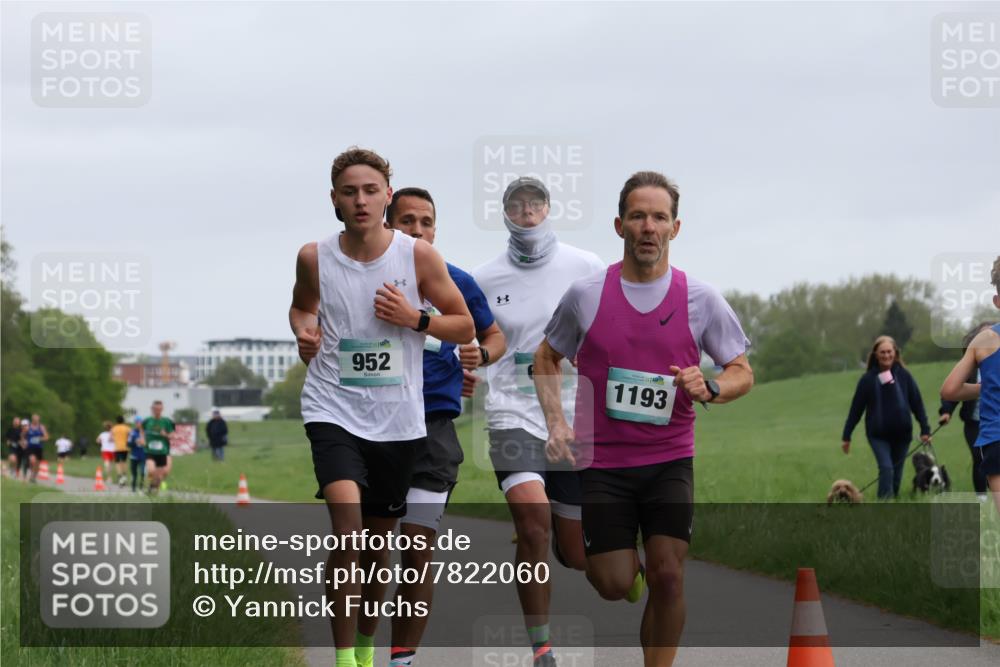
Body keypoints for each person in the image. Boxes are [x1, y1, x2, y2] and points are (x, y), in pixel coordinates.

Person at [536, 171, 753, 667]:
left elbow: (742, 371)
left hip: (669, 460)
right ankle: (611, 565)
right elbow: (546, 357)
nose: (648, 227)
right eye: (638, 216)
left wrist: (712, 386)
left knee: (669, 574)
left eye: (659, 217)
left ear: (676, 228)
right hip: (604, 466)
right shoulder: (586, 295)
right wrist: (556, 422)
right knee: (613, 582)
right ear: (619, 226)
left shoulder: (701, 299)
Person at [290, 148, 473, 667]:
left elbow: (462, 326)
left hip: (397, 420)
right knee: (348, 535)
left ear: (386, 196)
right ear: (335, 201)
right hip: (331, 408)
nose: (361, 200)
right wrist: (305, 331)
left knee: (375, 552)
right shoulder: (314, 256)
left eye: (371, 190)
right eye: (350, 192)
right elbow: (303, 306)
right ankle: (344, 656)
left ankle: (368, 646)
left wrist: (416, 319)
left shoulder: (417, 256)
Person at [343, 187, 506, 667]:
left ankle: (403, 661)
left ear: (436, 229)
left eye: (427, 222)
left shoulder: (455, 282)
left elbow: (490, 335)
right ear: (389, 226)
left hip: (434, 428)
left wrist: (481, 354)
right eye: (407, 221)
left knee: (417, 551)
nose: (418, 230)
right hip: (377, 426)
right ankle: (363, 647)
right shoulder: (364, 282)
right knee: (375, 554)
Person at [471, 176, 605, 667]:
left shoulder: (585, 266)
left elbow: (611, 331)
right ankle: (542, 647)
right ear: (505, 213)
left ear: (548, 209)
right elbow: (474, 340)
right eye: (516, 205)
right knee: (533, 523)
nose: (526, 213)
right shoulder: (485, 278)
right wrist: (470, 364)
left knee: (573, 552)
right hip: (512, 412)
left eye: (535, 204)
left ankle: (621, 567)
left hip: (574, 415)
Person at [942, 256, 1000, 515]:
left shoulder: (983, 341)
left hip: (995, 440)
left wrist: (982, 387)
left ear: (997, 302)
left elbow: (950, 390)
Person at [842, 336, 932, 499]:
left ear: (895, 353)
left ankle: (893, 502)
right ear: (876, 354)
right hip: (878, 435)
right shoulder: (867, 380)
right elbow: (856, 410)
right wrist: (846, 436)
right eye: (882, 352)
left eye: (889, 351)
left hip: (902, 435)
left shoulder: (904, 376)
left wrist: (925, 429)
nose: (886, 355)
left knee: (896, 475)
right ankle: (884, 504)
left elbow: (917, 404)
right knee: (886, 468)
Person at [939, 321, 996, 502]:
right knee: (978, 459)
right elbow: (951, 394)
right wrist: (946, 411)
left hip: (994, 432)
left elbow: (950, 389)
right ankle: (981, 496)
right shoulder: (974, 367)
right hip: (975, 422)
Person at [142, 401, 175, 494]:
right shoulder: (147, 420)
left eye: (159, 409)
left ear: (162, 409)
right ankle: (152, 486)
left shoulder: (166, 421)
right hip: (150, 450)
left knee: (161, 474)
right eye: (156, 409)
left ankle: (153, 488)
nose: (157, 411)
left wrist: (166, 435)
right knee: (152, 470)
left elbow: (172, 434)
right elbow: (141, 430)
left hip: (162, 451)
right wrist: (142, 439)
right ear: (152, 409)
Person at [25, 414, 49, 483]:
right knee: (32, 460)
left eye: (37, 419)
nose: (35, 421)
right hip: (30, 447)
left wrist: (40, 439)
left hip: (38, 447)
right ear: (32, 420)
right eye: (34, 420)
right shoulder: (28, 427)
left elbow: (46, 437)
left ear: (39, 419)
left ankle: (34, 477)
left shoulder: (41, 427)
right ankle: (31, 474)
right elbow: (23, 435)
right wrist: (24, 441)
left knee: (37, 464)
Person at [111, 415, 131, 486]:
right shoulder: (127, 428)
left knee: (117, 462)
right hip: (125, 447)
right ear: (123, 420)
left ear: (116, 421)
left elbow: (111, 438)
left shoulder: (114, 428)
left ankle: (120, 476)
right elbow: (131, 435)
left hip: (117, 448)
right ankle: (124, 476)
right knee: (124, 461)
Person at [128, 416, 147, 492]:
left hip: (144, 455)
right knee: (134, 472)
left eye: (140, 422)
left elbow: (149, 443)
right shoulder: (132, 433)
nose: (138, 424)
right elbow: (128, 444)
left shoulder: (146, 432)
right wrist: (135, 442)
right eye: (137, 423)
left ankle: (141, 487)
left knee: (143, 472)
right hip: (134, 455)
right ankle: (133, 487)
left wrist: (144, 443)